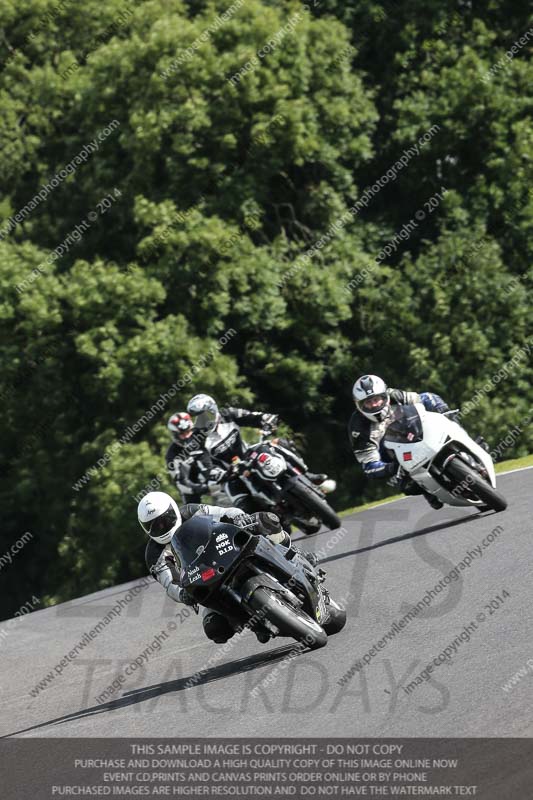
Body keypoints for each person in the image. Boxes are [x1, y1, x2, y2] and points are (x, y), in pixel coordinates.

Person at [138, 491, 314, 644]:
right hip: (204, 578)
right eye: (153, 526)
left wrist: (238, 517)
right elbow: (169, 583)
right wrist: (182, 594)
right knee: (215, 628)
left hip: (228, 550)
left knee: (267, 520)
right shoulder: (154, 555)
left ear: (173, 510)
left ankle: (292, 554)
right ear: (145, 529)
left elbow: (223, 512)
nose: (161, 526)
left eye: (165, 519)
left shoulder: (191, 511)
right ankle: (254, 622)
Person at [186, 393, 331, 510]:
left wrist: (266, 420)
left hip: (249, 454)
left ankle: (306, 475)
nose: (203, 421)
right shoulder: (196, 441)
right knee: (242, 503)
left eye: (205, 416)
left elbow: (254, 417)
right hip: (230, 474)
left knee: (276, 444)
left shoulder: (228, 414)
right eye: (198, 419)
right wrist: (223, 473)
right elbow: (206, 469)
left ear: (213, 410)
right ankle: (268, 519)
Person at [348, 374, 450, 509]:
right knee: (408, 487)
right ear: (359, 405)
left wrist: (445, 412)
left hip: (419, 433)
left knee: (451, 423)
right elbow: (369, 466)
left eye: (376, 399)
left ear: (385, 396)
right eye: (368, 402)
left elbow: (426, 397)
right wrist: (391, 468)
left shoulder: (395, 395)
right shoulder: (358, 429)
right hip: (398, 458)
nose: (374, 405)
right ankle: (427, 490)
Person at [165, 412, 211, 503]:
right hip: (193, 488)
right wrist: (201, 488)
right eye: (182, 434)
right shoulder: (172, 454)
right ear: (175, 434)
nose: (186, 436)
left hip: (215, 477)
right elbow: (181, 483)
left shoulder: (201, 435)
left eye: (188, 431)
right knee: (192, 510)